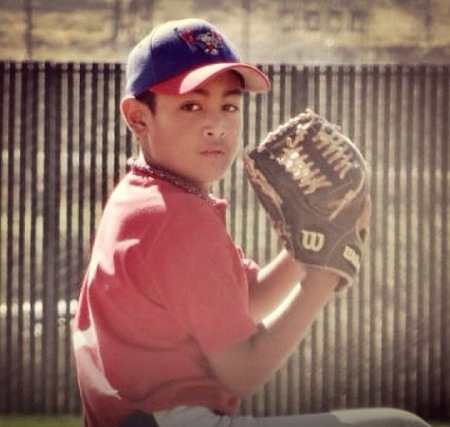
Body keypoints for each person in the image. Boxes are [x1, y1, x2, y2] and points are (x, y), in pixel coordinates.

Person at [72, 18, 430, 427]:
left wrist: (307, 246)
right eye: (191, 105)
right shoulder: (177, 218)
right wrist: (325, 275)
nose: (217, 124)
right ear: (137, 116)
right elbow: (243, 371)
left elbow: (247, 301)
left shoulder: (140, 198)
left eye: (229, 105)